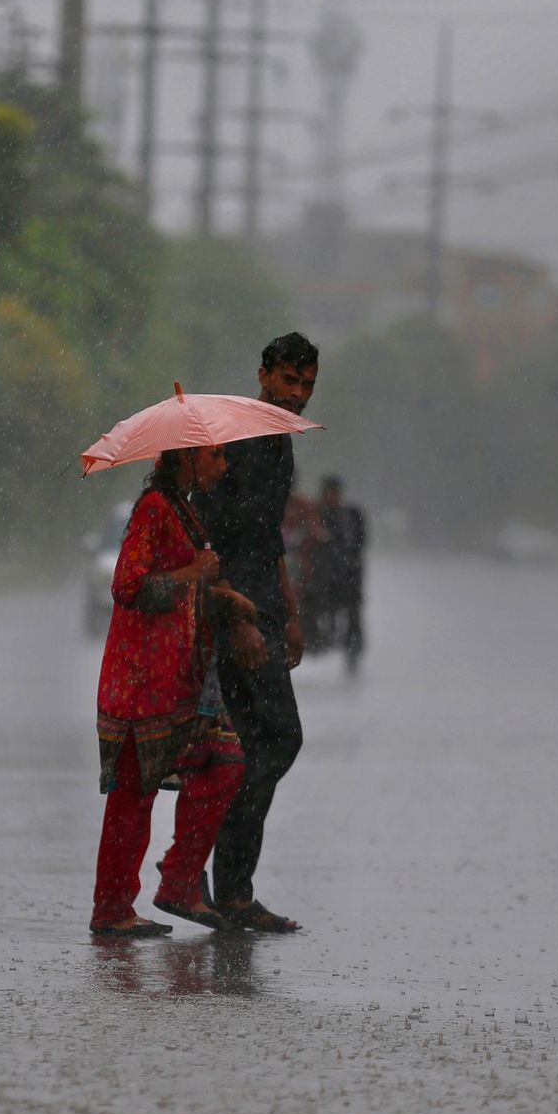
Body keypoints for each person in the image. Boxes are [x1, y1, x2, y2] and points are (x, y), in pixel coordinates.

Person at [90, 445, 260, 937]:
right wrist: (195, 574)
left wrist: (226, 599)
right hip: (141, 682)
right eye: (213, 457)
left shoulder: (184, 510)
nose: (222, 467)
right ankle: (112, 910)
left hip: (180, 679)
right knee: (132, 797)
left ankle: (180, 881)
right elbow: (128, 586)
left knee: (225, 763)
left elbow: (187, 588)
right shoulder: (154, 509)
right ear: (184, 458)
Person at [194, 332, 320, 934]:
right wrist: (235, 615)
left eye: (307, 385)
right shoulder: (232, 442)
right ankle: (216, 877)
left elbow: (269, 537)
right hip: (231, 612)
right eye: (288, 382)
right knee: (278, 738)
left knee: (245, 750)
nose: (297, 395)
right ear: (263, 374)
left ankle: (228, 887)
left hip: (266, 608)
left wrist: (290, 609)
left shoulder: (281, 445)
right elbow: (207, 539)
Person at [313, 475, 367, 674]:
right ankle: (324, 643)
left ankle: (352, 656)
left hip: (348, 576)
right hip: (324, 578)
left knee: (352, 617)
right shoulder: (316, 514)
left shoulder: (351, 515)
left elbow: (359, 544)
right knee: (325, 613)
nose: (331, 497)